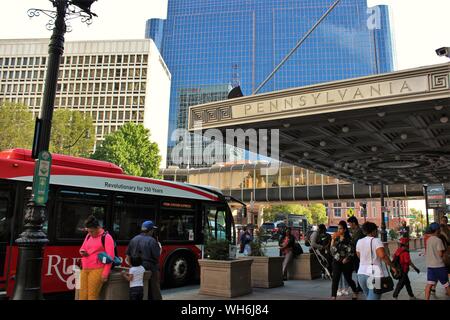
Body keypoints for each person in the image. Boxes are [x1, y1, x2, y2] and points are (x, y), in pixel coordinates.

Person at [356, 222, 397, 300]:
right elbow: (383, 256)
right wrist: (392, 266)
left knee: (369, 297)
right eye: (376, 230)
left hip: (361, 274)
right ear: (373, 231)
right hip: (375, 275)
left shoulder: (359, 241)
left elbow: (359, 256)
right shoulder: (376, 241)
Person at [78, 215, 115, 300]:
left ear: (98, 227)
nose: (90, 233)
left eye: (92, 231)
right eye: (88, 231)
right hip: (85, 267)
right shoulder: (88, 236)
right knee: (82, 295)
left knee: (92, 296)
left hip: (97, 269)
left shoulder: (106, 237)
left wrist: (105, 274)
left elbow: (110, 257)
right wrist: (82, 252)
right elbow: (82, 248)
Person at [126, 220, 162, 300]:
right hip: (150, 268)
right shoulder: (152, 241)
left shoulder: (134, 239)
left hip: (136, 268)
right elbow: (156, 256)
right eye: (153, 230)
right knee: (154, 288)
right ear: (150, 230)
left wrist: (132, 267)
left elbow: (128, 255)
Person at [330, 221, 359, 300]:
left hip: (346, 262)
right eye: (338, 228)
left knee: (348, 279)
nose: (339, 230)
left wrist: (347, 258)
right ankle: (333, 296)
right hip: (336, 261)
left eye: (341, 228)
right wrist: (333, 240)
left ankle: (355, 290)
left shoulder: (349, 238)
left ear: (345, 229)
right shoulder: (335, 237)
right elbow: (332, 250)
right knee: (335, 278)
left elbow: (352, 251)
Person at [424, 222, 450, 300]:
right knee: (446, 285)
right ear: (437, 230)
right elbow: (440, 254)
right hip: (439, 266)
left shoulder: (428, 240)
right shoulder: (438, 240)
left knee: (429, 285)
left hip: (430, 266)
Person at [347, 216, 365, 292]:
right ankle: (359, 285)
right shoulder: (354, 230)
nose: (349, 225)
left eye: (350, 224)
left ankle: (360, 286)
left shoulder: (359, 231)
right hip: (355, 254)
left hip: (358, 254)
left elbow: (354, 242)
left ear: (354, 223)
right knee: (357, 270)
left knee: (359, 270)